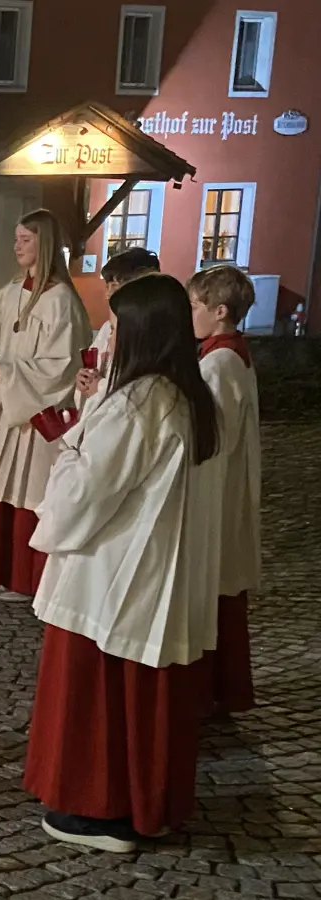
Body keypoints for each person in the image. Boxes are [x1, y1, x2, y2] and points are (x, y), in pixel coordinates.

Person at [22, 273, 221, 851]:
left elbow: (86, 491)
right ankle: (137, 802)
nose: (110, 336)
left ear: (143, 333)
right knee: (137, 696)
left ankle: (99, 808)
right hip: (152, 568)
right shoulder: (184, 394)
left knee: (97, 695)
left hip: (109, 574)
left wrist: (65, 460)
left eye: (118, 325)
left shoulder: (139, 402)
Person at [0, 210, 90, 601]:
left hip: (35, 413)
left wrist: (11, 374)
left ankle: (26, 579)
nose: (16, 246)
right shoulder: (10, 293)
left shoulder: (61, 301)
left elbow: (63, 364)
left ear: (45, 244)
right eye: (16, 238)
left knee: (28, 492)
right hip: (5, 407)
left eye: (25, 240)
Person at [188, 265, 261, 716]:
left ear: (219, 311)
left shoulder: (218, 363)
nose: (188, 314)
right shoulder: (227, 354)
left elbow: (209, 433)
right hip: (229, 483)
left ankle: (211, 688)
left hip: (217, 489)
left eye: (194, 306)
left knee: (214, 586)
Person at [75, 247, 160, 412]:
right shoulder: (107, 328)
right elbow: (95, 368)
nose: (107, 295)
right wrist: (83, 379)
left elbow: (136, 394)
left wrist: (99, 387)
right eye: (107, 286)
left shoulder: (148, 334)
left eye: (114, 286)